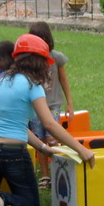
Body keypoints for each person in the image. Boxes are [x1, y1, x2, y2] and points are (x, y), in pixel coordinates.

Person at [0, 34, 95, 206]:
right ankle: (0, 199)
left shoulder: (3, 79)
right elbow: (49, 124)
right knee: (30, 203)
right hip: (12, 153)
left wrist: (43, 148)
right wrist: (81, 149)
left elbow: (16, 123)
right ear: (39, 62)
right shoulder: (33, 86)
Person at [28, 21, 74, 188]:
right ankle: (45, 175)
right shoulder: (29, 61)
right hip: (35, 108)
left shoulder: (56, 57)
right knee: (40, 141)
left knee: (52, 138)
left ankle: (59, 170)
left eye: (43, 40)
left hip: (53, 105)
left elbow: (63, 80)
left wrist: (70, 103)